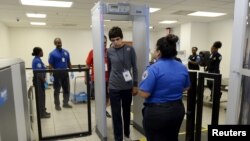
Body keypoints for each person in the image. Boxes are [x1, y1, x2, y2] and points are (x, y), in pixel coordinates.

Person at [138, 34, 190, 141]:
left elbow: (145, 93)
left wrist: (135, 90)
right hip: (177, 111)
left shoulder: (153, 69)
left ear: (158, 52)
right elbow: (186, 88)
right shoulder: (182, 67)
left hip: (157, 113)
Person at [107, 26, 138, 141]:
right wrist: (108, 86)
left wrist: (135, 85)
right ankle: (118, 137)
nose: (115, 42)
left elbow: (134, 68)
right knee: (115, 113)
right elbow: (110, 69)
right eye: (113, 40)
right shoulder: (109, 51)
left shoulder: (130, 49)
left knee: (126, 111)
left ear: (122, 38)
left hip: (127, 87)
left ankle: (127, 132)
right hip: (114, 86)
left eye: (117, 39)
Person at [86, 35, 111, 118]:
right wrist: (86, 77)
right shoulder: (92, 52)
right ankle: (100, 113)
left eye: (105, 42)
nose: (104, 44)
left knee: (107, 97)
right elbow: (87, 65)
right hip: (96, 79)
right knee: (99, 97)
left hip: (108, 79)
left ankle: (103, 110)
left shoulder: (109, 52)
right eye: (102, 42)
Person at [48, 37, 73, 111]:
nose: (59, 44)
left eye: (60, 42)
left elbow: (68, 62)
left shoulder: (66, 52)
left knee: (66, 89)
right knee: (57, 90)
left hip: (65, 73)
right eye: (57, 43)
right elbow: (50, 65)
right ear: (55, 44)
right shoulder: (52, 53)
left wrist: (71, 71)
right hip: (57, 74)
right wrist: (51, 75)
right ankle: (57, 105)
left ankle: (65, 103)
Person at [32, 47, 50, 118]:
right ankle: (41, 114)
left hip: (40, 81)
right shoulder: (37, 61)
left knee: (42, 97)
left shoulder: (39, 60)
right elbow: (39, 73)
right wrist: (44, 81)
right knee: (40, 98)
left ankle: (43, 111)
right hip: (39, 81)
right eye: (42, 51)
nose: (43, 52)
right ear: (39, 52)